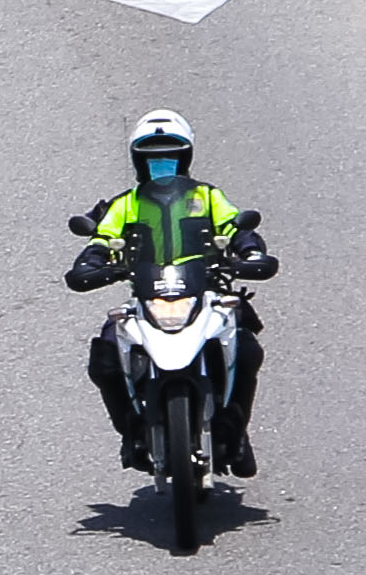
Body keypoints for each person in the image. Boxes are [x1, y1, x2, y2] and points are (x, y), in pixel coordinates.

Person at [68, 108, 272, 476]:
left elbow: (237, 225)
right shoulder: (124, 204)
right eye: (152, 158)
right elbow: (100, 239)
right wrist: (92, 261)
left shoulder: (208, 197)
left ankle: (236, 430)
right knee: (105, 356)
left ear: (186, 157)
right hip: (149, 296)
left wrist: (250, 250)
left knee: (246, 346)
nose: (161, 164)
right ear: (136, 160)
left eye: (170, 157)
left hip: (204, 290)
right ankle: (131, 431)